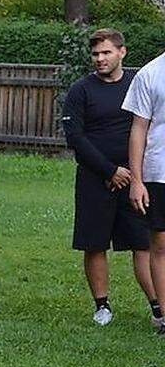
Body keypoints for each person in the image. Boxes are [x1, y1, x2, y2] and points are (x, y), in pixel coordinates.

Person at [61, 28, 161, 329]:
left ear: (122, 52)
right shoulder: (81, 90)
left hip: (135, 177)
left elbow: (147, 127)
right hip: (95, 177)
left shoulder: (138, 82)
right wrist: (108, 171)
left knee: (142, 243)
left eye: (106, 52)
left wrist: (132, 172)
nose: (100, 59)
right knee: (95, 243)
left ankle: (158, 305)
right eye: (95, 54)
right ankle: (102, 305)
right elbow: (75, 136)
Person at [125, 47, 165, 335]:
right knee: (161, 244)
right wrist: (136, 180)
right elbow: (139, 128)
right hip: (158, 172)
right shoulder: (150, 73)